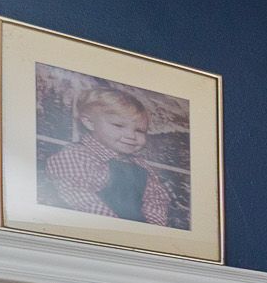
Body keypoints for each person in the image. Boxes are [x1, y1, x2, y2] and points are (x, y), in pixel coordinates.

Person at [43, 85, 174, 226]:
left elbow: (156, 200)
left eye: (139, 131)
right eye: (118, 125)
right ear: (89, 123)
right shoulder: (75, 157)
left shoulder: (142, 167)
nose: (131, 136)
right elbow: (79, 197)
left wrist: (152, 228)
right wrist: (115, 226)